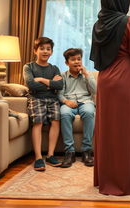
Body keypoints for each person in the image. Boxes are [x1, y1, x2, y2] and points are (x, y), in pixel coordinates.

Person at [90, 0, 130, 196]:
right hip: (125, 77)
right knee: (125, 131)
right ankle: (125, 181)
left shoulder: (98, 24)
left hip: (104, 79)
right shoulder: (129, 21)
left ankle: (105, 180)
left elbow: (97, 56)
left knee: (107, 131)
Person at [23, 37, 63, 171]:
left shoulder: (55, 68)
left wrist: (41, 80)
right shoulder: (28, 67)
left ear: (51, 52)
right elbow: (31, 85)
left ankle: (50, 155)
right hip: (36, 98)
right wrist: (50, 83)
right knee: (38, 122)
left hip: (52, 99)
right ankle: (38, 157)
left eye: (48, 49)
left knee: (56, 121)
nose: (45, 51)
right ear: (35, 50)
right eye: (42, 48)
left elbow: (60, 85)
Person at [58, 48, 96, 168]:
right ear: (66, 63)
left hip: (85, 101)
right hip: (69, 102)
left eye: (78, 59)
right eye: (73, 59)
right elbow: (59, 93)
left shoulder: (87, 74)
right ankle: (70, 152)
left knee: (89, 112)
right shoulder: (62, 76)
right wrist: (66, 101)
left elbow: (96, 90)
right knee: (64, 113)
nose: (76, 62)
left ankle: (87, 151)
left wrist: (86, 74)